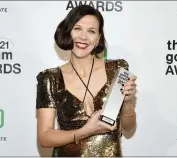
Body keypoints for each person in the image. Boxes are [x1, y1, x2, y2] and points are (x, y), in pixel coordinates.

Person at [36, 5, 137, 157]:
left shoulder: (118, 69)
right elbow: (44, 138)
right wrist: (86, 130)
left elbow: (128, 128)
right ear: (68, 32)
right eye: (77, 28)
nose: (83, 37)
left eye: (91, 31)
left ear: (98, 39)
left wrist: (128, 102)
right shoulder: (50, 78)